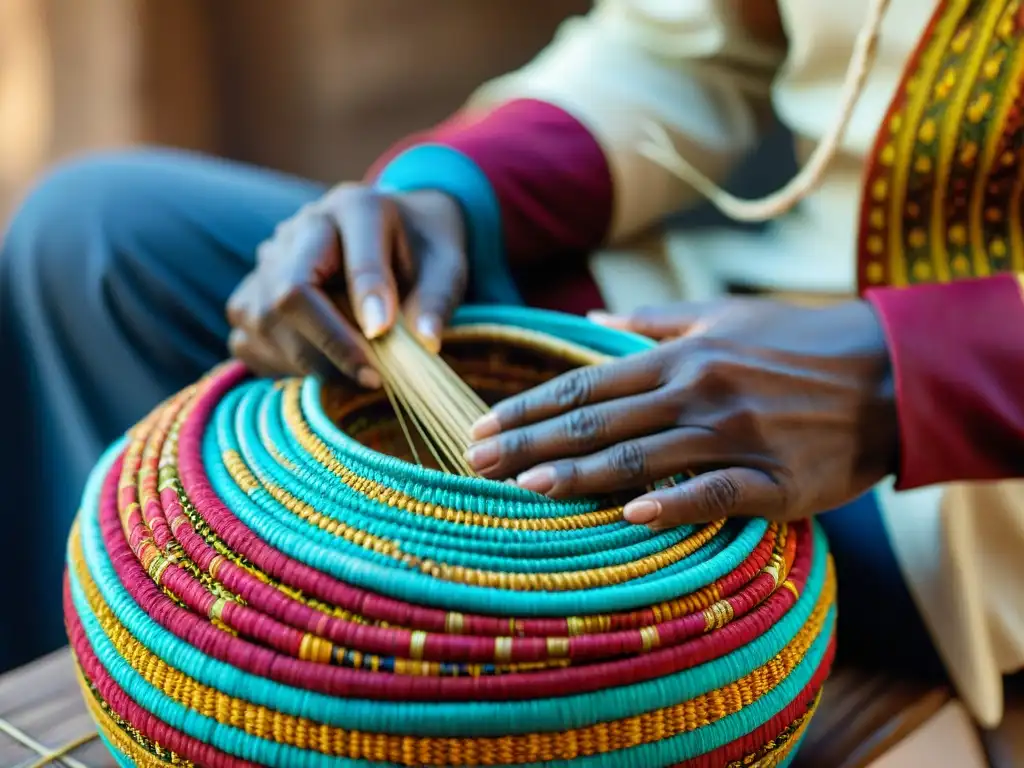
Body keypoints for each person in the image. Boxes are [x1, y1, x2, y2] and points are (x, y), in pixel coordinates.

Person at [1, 0, 1020, 728]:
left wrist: (903, 380)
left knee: (511, 633)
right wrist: (454, 191)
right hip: (693, 317)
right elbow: (697, 40)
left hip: (957, 494)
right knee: (95, 240)